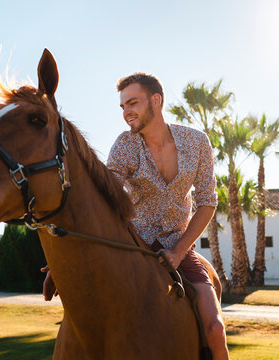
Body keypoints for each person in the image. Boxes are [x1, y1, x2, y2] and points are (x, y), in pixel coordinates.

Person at [106, 73, 229, 359]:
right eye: (123, 106)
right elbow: (105, 196)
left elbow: (208, 201)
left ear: (156, 100)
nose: (126, 113)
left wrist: (179, 249)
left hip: (180, 247)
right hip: (132, 245)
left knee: (214, 329)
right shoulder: (124, 146)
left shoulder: (197, 142)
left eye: (132, 103)